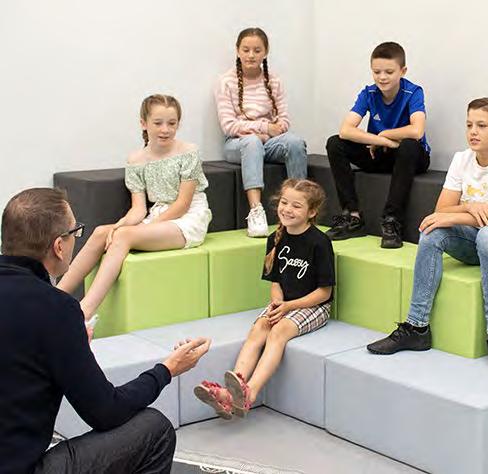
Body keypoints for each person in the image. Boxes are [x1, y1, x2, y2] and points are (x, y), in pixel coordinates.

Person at [0, 187, 211, 473]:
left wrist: (71, 345)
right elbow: (106, 411)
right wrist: (166, 370)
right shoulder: (57, 310)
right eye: (76, 232)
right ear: (59, 246)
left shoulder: (54, 313)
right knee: (155, 429)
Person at [367, 98, 488, 373]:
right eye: (469, 125)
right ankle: (417, 327)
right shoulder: (462, 159)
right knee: (432, 230)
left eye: (482, 125)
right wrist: (471, 207)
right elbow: (441, 211)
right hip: (479, 240)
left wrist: (462, 214)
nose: (473, 132)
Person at [57, 94, 212, 321]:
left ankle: (85, 311)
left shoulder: (188, 152)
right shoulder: (136, 160)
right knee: (102, 232)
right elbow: (138, 209)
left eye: (172, 123)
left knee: (124, 236)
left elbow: (182, 204)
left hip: (188, 218)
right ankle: (55, 296)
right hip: (157, 216)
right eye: (158, 123)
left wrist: (141, 228)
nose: (165, 129)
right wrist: (118, 225)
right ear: (144, 123)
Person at [193, 179, 334, 418]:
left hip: (314, 305)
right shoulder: (275, 239)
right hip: (285, 303)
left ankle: (251, 393)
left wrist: (288, 306)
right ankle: (233, 390)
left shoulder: (319, 242)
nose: (287, 209)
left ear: (311, 212)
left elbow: (324, 293)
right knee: (259, 327)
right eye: (284, 202)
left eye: (296, 206)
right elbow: (276, 282)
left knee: (278, 332)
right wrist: (277, 304)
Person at [326, 41, 430, 248]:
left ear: (403, 71)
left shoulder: (413, 92)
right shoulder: (368, 93)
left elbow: (417, 130)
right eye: (377, 72)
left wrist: (385, 133)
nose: (382, 77)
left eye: (389, 72)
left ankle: (392, 221)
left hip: (409, 156)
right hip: (380, 152)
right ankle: (352, 216)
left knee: (409, 145)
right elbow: (346, 130)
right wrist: (381, 140)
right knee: (335, 143)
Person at [215, 27, 308, 238]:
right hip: (237, 144)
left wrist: (267, 133)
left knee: (295, 142)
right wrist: (265, 128)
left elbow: (284, 121)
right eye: (246, 50)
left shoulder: (274, 81)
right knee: (252, 142)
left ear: (265, 52)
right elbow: (229, 126)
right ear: (237, 50)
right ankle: (256, 211)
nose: (251, 55)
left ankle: (300, 205)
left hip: (268, 142)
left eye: (257, 50)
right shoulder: (225, 82)